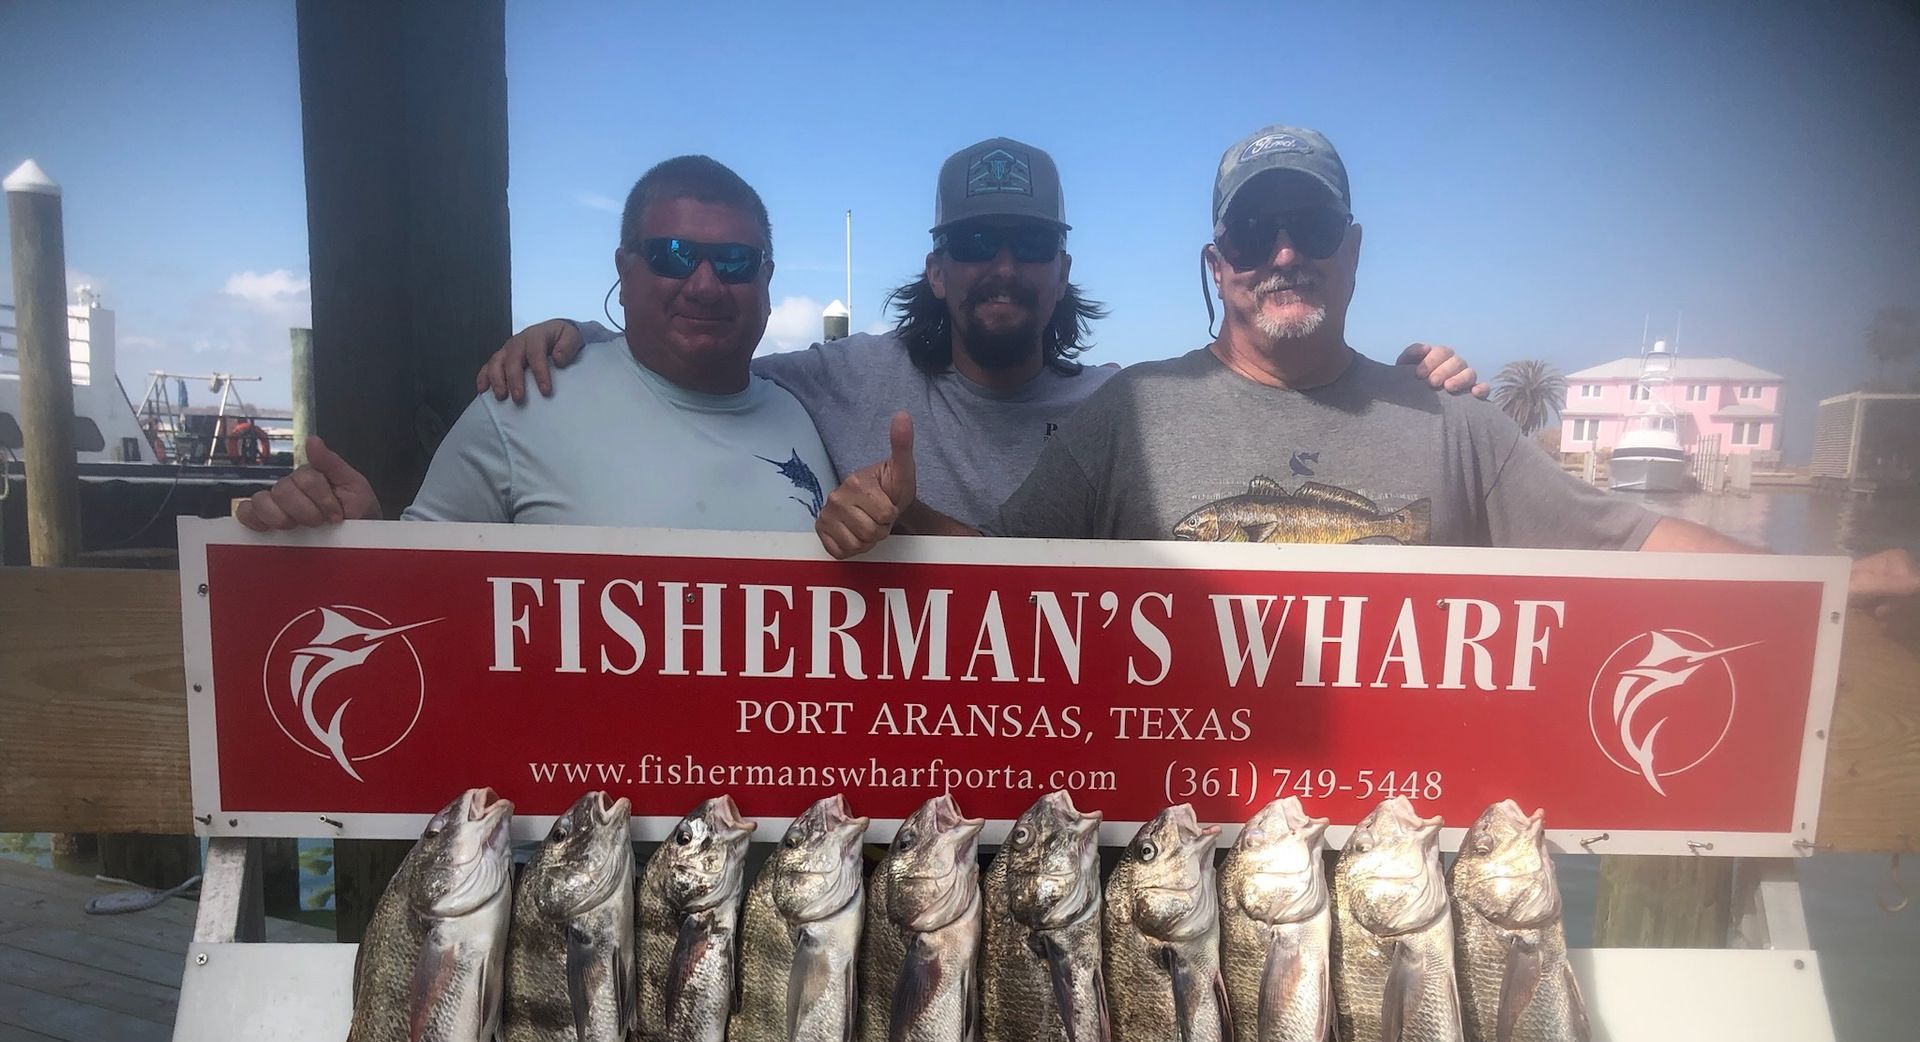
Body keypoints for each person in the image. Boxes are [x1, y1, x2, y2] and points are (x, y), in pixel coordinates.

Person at [813, 124, 1920, 608]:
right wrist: (890, 522)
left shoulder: (1452, 423)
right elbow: (1008, 571)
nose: (1282, 252)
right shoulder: (1130, 411)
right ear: (1219, 262)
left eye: (1308, 225)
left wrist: (1838, 583)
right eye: (1253, 234)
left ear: (1352, 249)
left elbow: (1633, 539)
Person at [474, 136, 1485, 530]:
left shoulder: (1128, 407)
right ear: (939, 267)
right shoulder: (839, 379)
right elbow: (700, 349)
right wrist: (578, 335)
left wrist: (1398, 395)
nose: (1004, 265)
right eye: (977, 241)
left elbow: (1271, 413)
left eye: (1029, 243)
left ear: (1062, 270)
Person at [238, 155, 831, 532]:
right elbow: (420, 594)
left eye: (733, 261)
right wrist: (359, 539)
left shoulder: (806, 417)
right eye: (672, 256)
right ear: (625, 273)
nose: (704, 285)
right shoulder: (521, 403)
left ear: (766, 282)